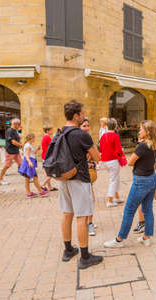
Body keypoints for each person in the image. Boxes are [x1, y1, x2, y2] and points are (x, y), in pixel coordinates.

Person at [57, 100, 103, 269]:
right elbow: (97, 157)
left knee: (67, 214)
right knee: (82, 217)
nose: (84, 116)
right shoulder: (81, 134)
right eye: (82, 114)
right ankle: (85, 257)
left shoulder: (59, 132)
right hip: (80, 179)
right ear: (76, 116)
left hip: (64, 178)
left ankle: (68, 249)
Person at [104, 120, 156, 248]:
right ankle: (147, 237)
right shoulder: (154, 144)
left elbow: (130, 162)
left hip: (141, 181)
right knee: (148, 209)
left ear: (147, 132)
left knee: (129, 210)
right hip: (152, 178)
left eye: (141, 129)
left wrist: (136, 149)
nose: (139, 131)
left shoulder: (142, 146)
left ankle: (119, 239)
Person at [133, 147, 156, 234]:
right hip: (153, 177)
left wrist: (147, 165)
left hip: (149, 176)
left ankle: (142, 223)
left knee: (141, 201)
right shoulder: (151, 148)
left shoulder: (150, 148)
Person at [80, 118, 101, 236]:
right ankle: (88, 224)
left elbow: (96, 156)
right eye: (84, 126)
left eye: (88, 125)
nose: (87, 128)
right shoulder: (78, 140)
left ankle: (89, 222)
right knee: (87, 200)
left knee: (91, 199)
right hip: (81, 174)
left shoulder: (88, 139)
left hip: (89, 173)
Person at [99, 118, 125, 207]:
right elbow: (118, 149)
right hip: (113, 160)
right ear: (115, 126)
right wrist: (122, 154)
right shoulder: (115, 136)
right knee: (113, 180)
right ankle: (110, 200)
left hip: (105, 160)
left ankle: (117, 197)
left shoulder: (103, 136)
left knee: (116, 178)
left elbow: (100, 149)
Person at [18, 133, 49, 198]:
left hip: (29, 162)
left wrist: (37, 149)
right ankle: (40, 192)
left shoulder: (28, 145)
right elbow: (26, 155)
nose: (35, 139)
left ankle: (29, 193)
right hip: (29, 163)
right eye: (34, 138)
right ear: (31, 138)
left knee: (28, 178)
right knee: (34, 178)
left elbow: (32, 153)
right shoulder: (28, 146)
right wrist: (29, 162)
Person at [0, 118, 22, 185]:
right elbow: (13, 142)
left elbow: (16, 140)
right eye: (18, 124)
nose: (19, 125)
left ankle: (28, 177)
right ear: (15, 124)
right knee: (7, 165)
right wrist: (20, 145)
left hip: (16, 151)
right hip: (10, 151)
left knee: (22, 164)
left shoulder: (15, 131)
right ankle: (0, 179)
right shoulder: (9, 131)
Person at [41, 126, 57, 191]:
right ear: (47, 131)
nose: (52, 132)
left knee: (48, 173)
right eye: (51, 130)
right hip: (48, 157)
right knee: (52, 172)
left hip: (45, 156)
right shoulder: (47, 137)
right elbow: (54, 145)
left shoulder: (45, 137)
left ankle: (50, 187)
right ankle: (43, 185)